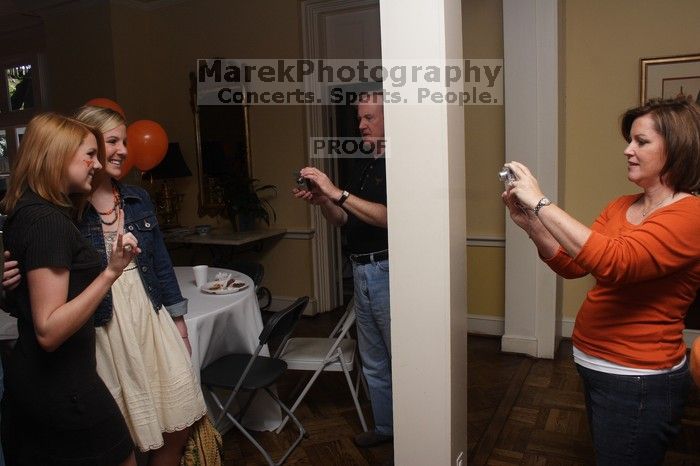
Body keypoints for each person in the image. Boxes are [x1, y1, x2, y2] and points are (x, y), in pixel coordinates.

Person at [2, 106, 207, 465]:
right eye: (107, 144)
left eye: (124, 142)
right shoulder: (62, 210)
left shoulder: (135, 198)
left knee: (174, 420)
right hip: (98, 328)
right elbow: (41, 298)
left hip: (146, 316)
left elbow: (160, 262)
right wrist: (5, 287)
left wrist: (178, 320)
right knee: (121, 433)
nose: (120, 152)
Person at [502, 98, 700, 465]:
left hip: (637, 376)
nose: (628, 150)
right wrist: (531, 223)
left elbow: (616, 263)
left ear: (676, 147)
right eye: (630, 141)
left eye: (641, 142)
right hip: (594, 363)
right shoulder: (621, 205)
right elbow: (573, 264)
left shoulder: (691, 214)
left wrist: (541, 202)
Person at [0, 112, 139, 465]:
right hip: (63, 389)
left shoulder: (29, 210)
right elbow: (48, 330)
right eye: (89, 154)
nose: (98, 163)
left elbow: (29, 304)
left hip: (36, 383)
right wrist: (110, 273)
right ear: (57, 155)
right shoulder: (49, 223)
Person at [293, 91, 393, 448]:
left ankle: (414, 435)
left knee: (399, 356)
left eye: (370, 118)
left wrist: (336, 192)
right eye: (360, 118)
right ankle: (386, 429)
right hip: (361, 272)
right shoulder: (362, 161)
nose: (361, 125)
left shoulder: (400, 161)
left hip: (387, 271)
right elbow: (341, 218)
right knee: (373, 360)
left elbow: (391, 218)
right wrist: (324, 201)